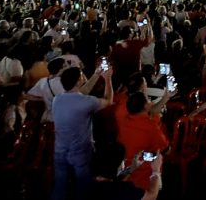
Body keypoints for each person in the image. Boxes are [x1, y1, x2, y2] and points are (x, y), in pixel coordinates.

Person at [52, 65, 114, 200]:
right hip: (80, 151)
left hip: (60, 149)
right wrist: (108, 79)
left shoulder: (57, 99)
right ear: (79, 81)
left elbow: (79, 94)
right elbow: (109, 101)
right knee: (83, 187)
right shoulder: (86, 102)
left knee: (59, 187)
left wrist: (96, 75)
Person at [117, 92, 169, 191]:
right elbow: (166, 149)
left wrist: (165, 98)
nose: (151, 102)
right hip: (143, 178)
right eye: (149, 100)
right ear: (145, 106)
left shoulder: (123, 119)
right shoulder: (151, 127)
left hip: (124, 173)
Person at [89, 141, 162, 200]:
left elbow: (114, 180)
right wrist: (156, 171)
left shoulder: (87, 181)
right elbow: (151, 196)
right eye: (122, 161)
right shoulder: (124, 191)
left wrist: (132, 168)